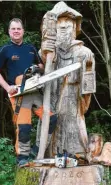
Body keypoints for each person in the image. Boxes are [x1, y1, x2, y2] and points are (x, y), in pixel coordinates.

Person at [0, 18, 57, 167]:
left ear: (23, 31)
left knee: (51, 119)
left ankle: (38, 148)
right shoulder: (5, 49)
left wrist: (37, 69)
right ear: (9, 31)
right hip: (19, 94)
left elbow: (41, 65)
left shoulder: (31, 48)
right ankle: (22, 157)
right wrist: (8, 88)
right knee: (24, 126)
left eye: (18, 29)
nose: (16, 31)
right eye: (13, 29)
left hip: (34, 90)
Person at [41, 2, 95, 157]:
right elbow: (42, 68)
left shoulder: (84, 52)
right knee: (53, 127)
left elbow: (88, 85)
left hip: (73, 98)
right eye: (59, 24)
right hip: (52, 96)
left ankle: (77, 154)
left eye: (68, 24)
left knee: (73, 127)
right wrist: (46, 52)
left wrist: (83, 99)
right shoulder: (49, 52)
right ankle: (50, 153)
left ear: (75, 28)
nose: (63, 27)